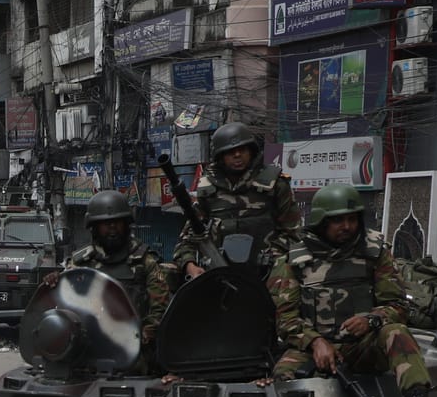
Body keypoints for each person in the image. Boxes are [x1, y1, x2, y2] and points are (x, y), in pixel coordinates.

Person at [268, 183, 437, 397]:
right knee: (282, 375)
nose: (347, 226)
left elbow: (397, 305)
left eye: (352, 219)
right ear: (321, 221)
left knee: (397, 334)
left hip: (361, 345)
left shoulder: (375, 252)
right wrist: (315, 341)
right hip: (312, 348)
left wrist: (372, 320)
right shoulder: (294, 261)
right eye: (338, 220)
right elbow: (285, 321)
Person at [62, 190, 178, 370]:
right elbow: (63, 307)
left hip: (134, 354)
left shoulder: (144, 261)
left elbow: (161, 306)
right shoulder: (79, 263)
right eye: (106, 224)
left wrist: (145, 335)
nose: (112, 228)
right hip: (86, 353)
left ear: (126, 224)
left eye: (117, 222)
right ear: (94, 227)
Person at [174, 122, 303, 276]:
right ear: (220, 156)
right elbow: (189, 238)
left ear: (251, 151)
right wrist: (190, 265)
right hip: (219, 274)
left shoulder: (275, 183)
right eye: (230, 152)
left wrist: (271, 257)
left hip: (269, 274)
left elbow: (294, 234)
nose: (237, 155)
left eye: (242, 149)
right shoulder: (207, 190)